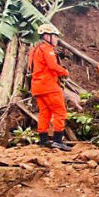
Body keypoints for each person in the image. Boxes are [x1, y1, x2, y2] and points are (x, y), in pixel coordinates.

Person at [29, 23, 72, 152]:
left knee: (44, 113)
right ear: (48, 36)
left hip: (37, 86)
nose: (56, 39)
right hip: (49, 86)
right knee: (60, 112)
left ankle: (43, 140)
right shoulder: (47, 49)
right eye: (55, 36)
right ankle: (58, 141)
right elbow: (53, 66)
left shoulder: (35, 49)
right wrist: (65, 72)